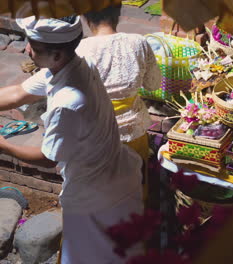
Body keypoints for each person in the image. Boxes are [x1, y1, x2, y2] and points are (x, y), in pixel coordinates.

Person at [0, 16, 144, 263]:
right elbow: (18, 93)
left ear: (56, 54)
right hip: (114, 177)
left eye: (33, 46)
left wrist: (2, 145)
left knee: (92, 256)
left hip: (97, 195)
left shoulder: (69, 102)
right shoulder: (74, 63)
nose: (26, 49)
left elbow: (47, 158)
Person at [76, 5, 160, 204]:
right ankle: (137, 228)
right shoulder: (138, 42)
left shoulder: (79, 50)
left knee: (102, 194)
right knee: (135, 188)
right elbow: (153, 84)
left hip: (96, 135)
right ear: (118, 12)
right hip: (134, 130)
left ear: (85, 17)